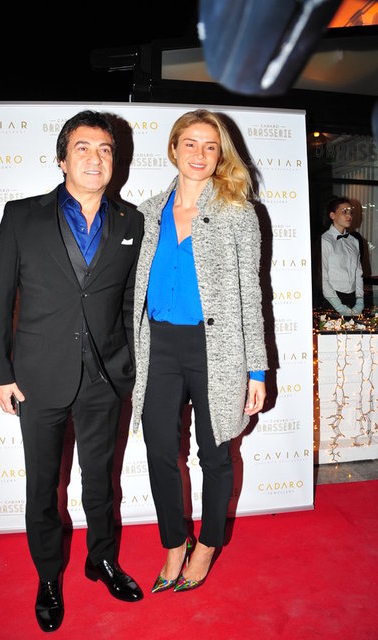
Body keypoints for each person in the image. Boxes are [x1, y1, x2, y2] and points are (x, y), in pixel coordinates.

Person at [0, 110, 144, 632]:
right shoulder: (21, 216)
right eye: (83, 148)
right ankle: (49, 576)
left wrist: (127, 365)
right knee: (43, 487)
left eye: (105, 149)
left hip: (104, 378)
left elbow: (128, 301)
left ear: (115, 161)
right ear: (61, 159)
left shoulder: (131, 221)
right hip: (37, 378)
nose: (95, 158)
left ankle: (102, 560)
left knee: (101, 481)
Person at [131, 109, 268, 593]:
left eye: (210, 146)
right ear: (173, 149)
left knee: (215, 453)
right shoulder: (146, 212)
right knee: (159, 450)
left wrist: (257, 370)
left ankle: (207, 544)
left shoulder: (238, 212)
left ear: (220, 154)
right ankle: (174, 542)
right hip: (159, 347)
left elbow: (252, 294)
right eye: (190, 143)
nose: (199, 153)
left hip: (217, 350)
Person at [321, 196, 364, 316]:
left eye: (350, 212)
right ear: (332, 215)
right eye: (344, 212)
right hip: (332, 301)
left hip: (353, 300)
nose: (349, 216)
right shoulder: (325, 241)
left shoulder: (354, 241)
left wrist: (359, 301)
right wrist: (339, 306)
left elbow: (358, 273)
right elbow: (323, 278)